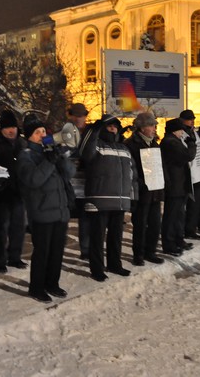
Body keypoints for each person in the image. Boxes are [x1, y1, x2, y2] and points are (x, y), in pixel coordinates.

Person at [17, 114, 75, 302]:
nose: (42, 134)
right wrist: (49, 161)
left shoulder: (49, 151)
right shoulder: (26, 156)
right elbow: (34, 180)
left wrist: (61, 157)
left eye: (43, 131)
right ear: (29, 137)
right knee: (42, 251)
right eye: (37, 132)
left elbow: (69, 174)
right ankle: (36, 287)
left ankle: (52, 283)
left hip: (59, 210)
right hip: (41, 211)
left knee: (57, 250)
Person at [79, 114, 135, 282]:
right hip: (99, 199)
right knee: (97, 237)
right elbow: (85, 152)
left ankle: (114, 264)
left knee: (116, 236)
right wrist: (94, 130)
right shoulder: (96, 145)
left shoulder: (124, 148)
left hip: (120, 199)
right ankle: (97, 269)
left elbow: (132, 173)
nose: (113, 129)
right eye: (110, 126)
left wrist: (133, 196)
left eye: (115, 126)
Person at [0, 110, 28, 273]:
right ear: (1, 129)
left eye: (14, 127)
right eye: (8, 127)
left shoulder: (22, 144)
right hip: (1, 193)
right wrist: (0, 181)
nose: (11, 131)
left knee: (18, 226)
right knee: (1, 228)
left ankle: (15, 257)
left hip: (18, 192)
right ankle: (0, 260)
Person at [123, 112, 164, 266]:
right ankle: (138, 254)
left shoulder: (154, 143)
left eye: (155, 125)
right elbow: (129, 169)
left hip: (155, 190)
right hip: (141, 191)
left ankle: (150, 252)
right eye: (151, 125)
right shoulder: (130, 144)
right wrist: (140, 182)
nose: (154, 128)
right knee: (140, 224)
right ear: (142, 127)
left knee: (155, 223)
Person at [160, 118, 197, 256]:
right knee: (171, 215)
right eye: (181, 130)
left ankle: (178, 239)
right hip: (174, 185)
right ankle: (169, 244)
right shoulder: (169, 142)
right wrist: (192, 143)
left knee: (179, 215)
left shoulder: (174, 141)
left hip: (180, 184)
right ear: (175, 130)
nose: (183, 133)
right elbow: (188, 156)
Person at [61, 103, 91, 260]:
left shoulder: (91, 133)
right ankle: (59, 248)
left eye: (81, 115)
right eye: (76, 115)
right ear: (70, 115)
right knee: (63, 217)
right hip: (67, 183)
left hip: (86, 183)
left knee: (86, 218)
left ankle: (85, 251)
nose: (79, 118)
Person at [179, 109, 200, 242]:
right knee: (182, 207)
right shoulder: (180, 132)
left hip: (195, 172)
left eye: (193, 118)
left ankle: (190, 229)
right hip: (184, 174)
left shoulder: (193, 132)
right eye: (189, 119)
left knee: (194, 205)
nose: (192, 121)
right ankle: (181, 231)